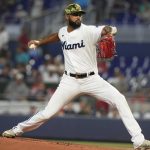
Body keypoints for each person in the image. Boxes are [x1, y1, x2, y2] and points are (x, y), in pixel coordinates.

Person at [2, 3, 150, 150]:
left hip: (92, 79)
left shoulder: (89, 31)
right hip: (69, 81)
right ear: (67, 16)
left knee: (120, 99)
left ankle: (138, 140)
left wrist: (110, 30)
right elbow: (58, 35)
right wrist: (40, 42)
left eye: (79, 14)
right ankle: (16, 130)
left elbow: (104, 30)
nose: (78, 17)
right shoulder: (63, 32)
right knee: (47, 113)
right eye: (75, 14)